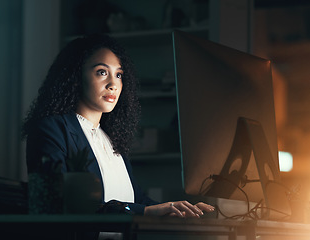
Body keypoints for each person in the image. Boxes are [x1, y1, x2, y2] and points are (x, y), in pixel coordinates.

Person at [22, 34, 214, 218]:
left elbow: (134, 200)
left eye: (119, 75)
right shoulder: (51, 129)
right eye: (102, 72)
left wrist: (178, 210)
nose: (113, 84)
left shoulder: (109, 138)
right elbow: (56, 203)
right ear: (75, 76)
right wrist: (145, 212)